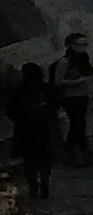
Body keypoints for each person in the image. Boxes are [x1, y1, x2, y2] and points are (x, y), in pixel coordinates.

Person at [4, 65, 49, 199]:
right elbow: (56, 104)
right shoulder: (45, 88)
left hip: (25, 130)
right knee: (46, 159)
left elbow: (10, 111)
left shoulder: (19, 91)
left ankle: (33, 186)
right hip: (45, 129)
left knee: (29, 161)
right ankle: (45, 183)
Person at [52, 35, 91, 168]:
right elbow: (57, 81)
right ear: (72, 45)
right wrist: (76, 82)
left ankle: (78, 152)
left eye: (85, 44)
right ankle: (73, 153)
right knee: (76, 125)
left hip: (81, 95)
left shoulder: (82, 60)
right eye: (81, 44)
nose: (84, 47)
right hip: (71, 97)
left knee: (80, 125)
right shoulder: (65, 62)